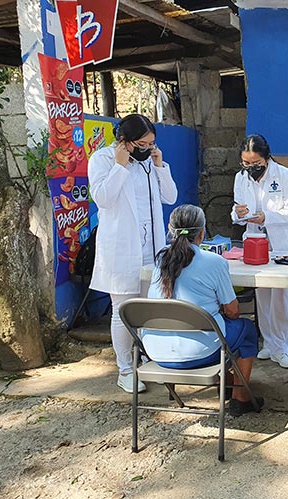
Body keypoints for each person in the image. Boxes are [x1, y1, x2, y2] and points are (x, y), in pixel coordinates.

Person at [142, 205, 263, 417]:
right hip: (199, 353)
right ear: (202, 233)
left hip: (156, 351)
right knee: (246, 329)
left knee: (220, 327)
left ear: (171, 230)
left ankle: (225, 383)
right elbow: (233, 311)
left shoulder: (161, 259)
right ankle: (240, 397)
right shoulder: (215, 262)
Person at [88, 114, 178, 394]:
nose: (147, 148)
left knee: (150, 309)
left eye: (151, 143)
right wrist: (120, 166)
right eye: (142, 143)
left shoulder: (150, 163)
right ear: (124, 141)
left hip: (151, 249)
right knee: (122, 310)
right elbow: (102, 198)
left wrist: (160, 165)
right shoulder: (102, 160)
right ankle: (125, 369)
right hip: (121, 249)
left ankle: (151, 358)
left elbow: (171, 197)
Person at [230, 134, 288, 369]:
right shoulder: (240, 178)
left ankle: (281, 348)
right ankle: (268, 344)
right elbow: (236, 213)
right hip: (256, 242)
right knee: (262, 295)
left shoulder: (285, 176)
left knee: (280, 297)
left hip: (283, 243)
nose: (251, 168)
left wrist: (267, 217)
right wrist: (239, 213)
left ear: (267, 158)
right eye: (246, 163)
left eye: (256, 164)